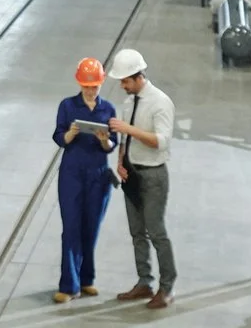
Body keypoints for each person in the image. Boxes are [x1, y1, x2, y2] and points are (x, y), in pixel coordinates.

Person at [106, 47, 177, 310]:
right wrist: (121, 161)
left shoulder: (160, 102)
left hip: (154, 176)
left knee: (156, 232)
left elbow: (161, 141)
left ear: (138, 77)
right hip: (132, 174)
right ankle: (144, 282)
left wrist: (129, 129)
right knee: (137, 232)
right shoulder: (128, 102)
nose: (122, 86)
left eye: (125, 81)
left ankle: (167, 287)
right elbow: (124, 140)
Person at [52, 56, 118, 303]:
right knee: (71, 228)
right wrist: (71, 132)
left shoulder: (108, 109)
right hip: (72, 174)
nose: (91, 90)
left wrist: (103, 140)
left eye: (95, 86)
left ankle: (86, 279)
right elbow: (59, 138)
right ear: (79, 84)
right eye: (86, 86)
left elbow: (112, 145)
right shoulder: (67, 106)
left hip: (98, 175)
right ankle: (68, 286)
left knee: (91, 228)